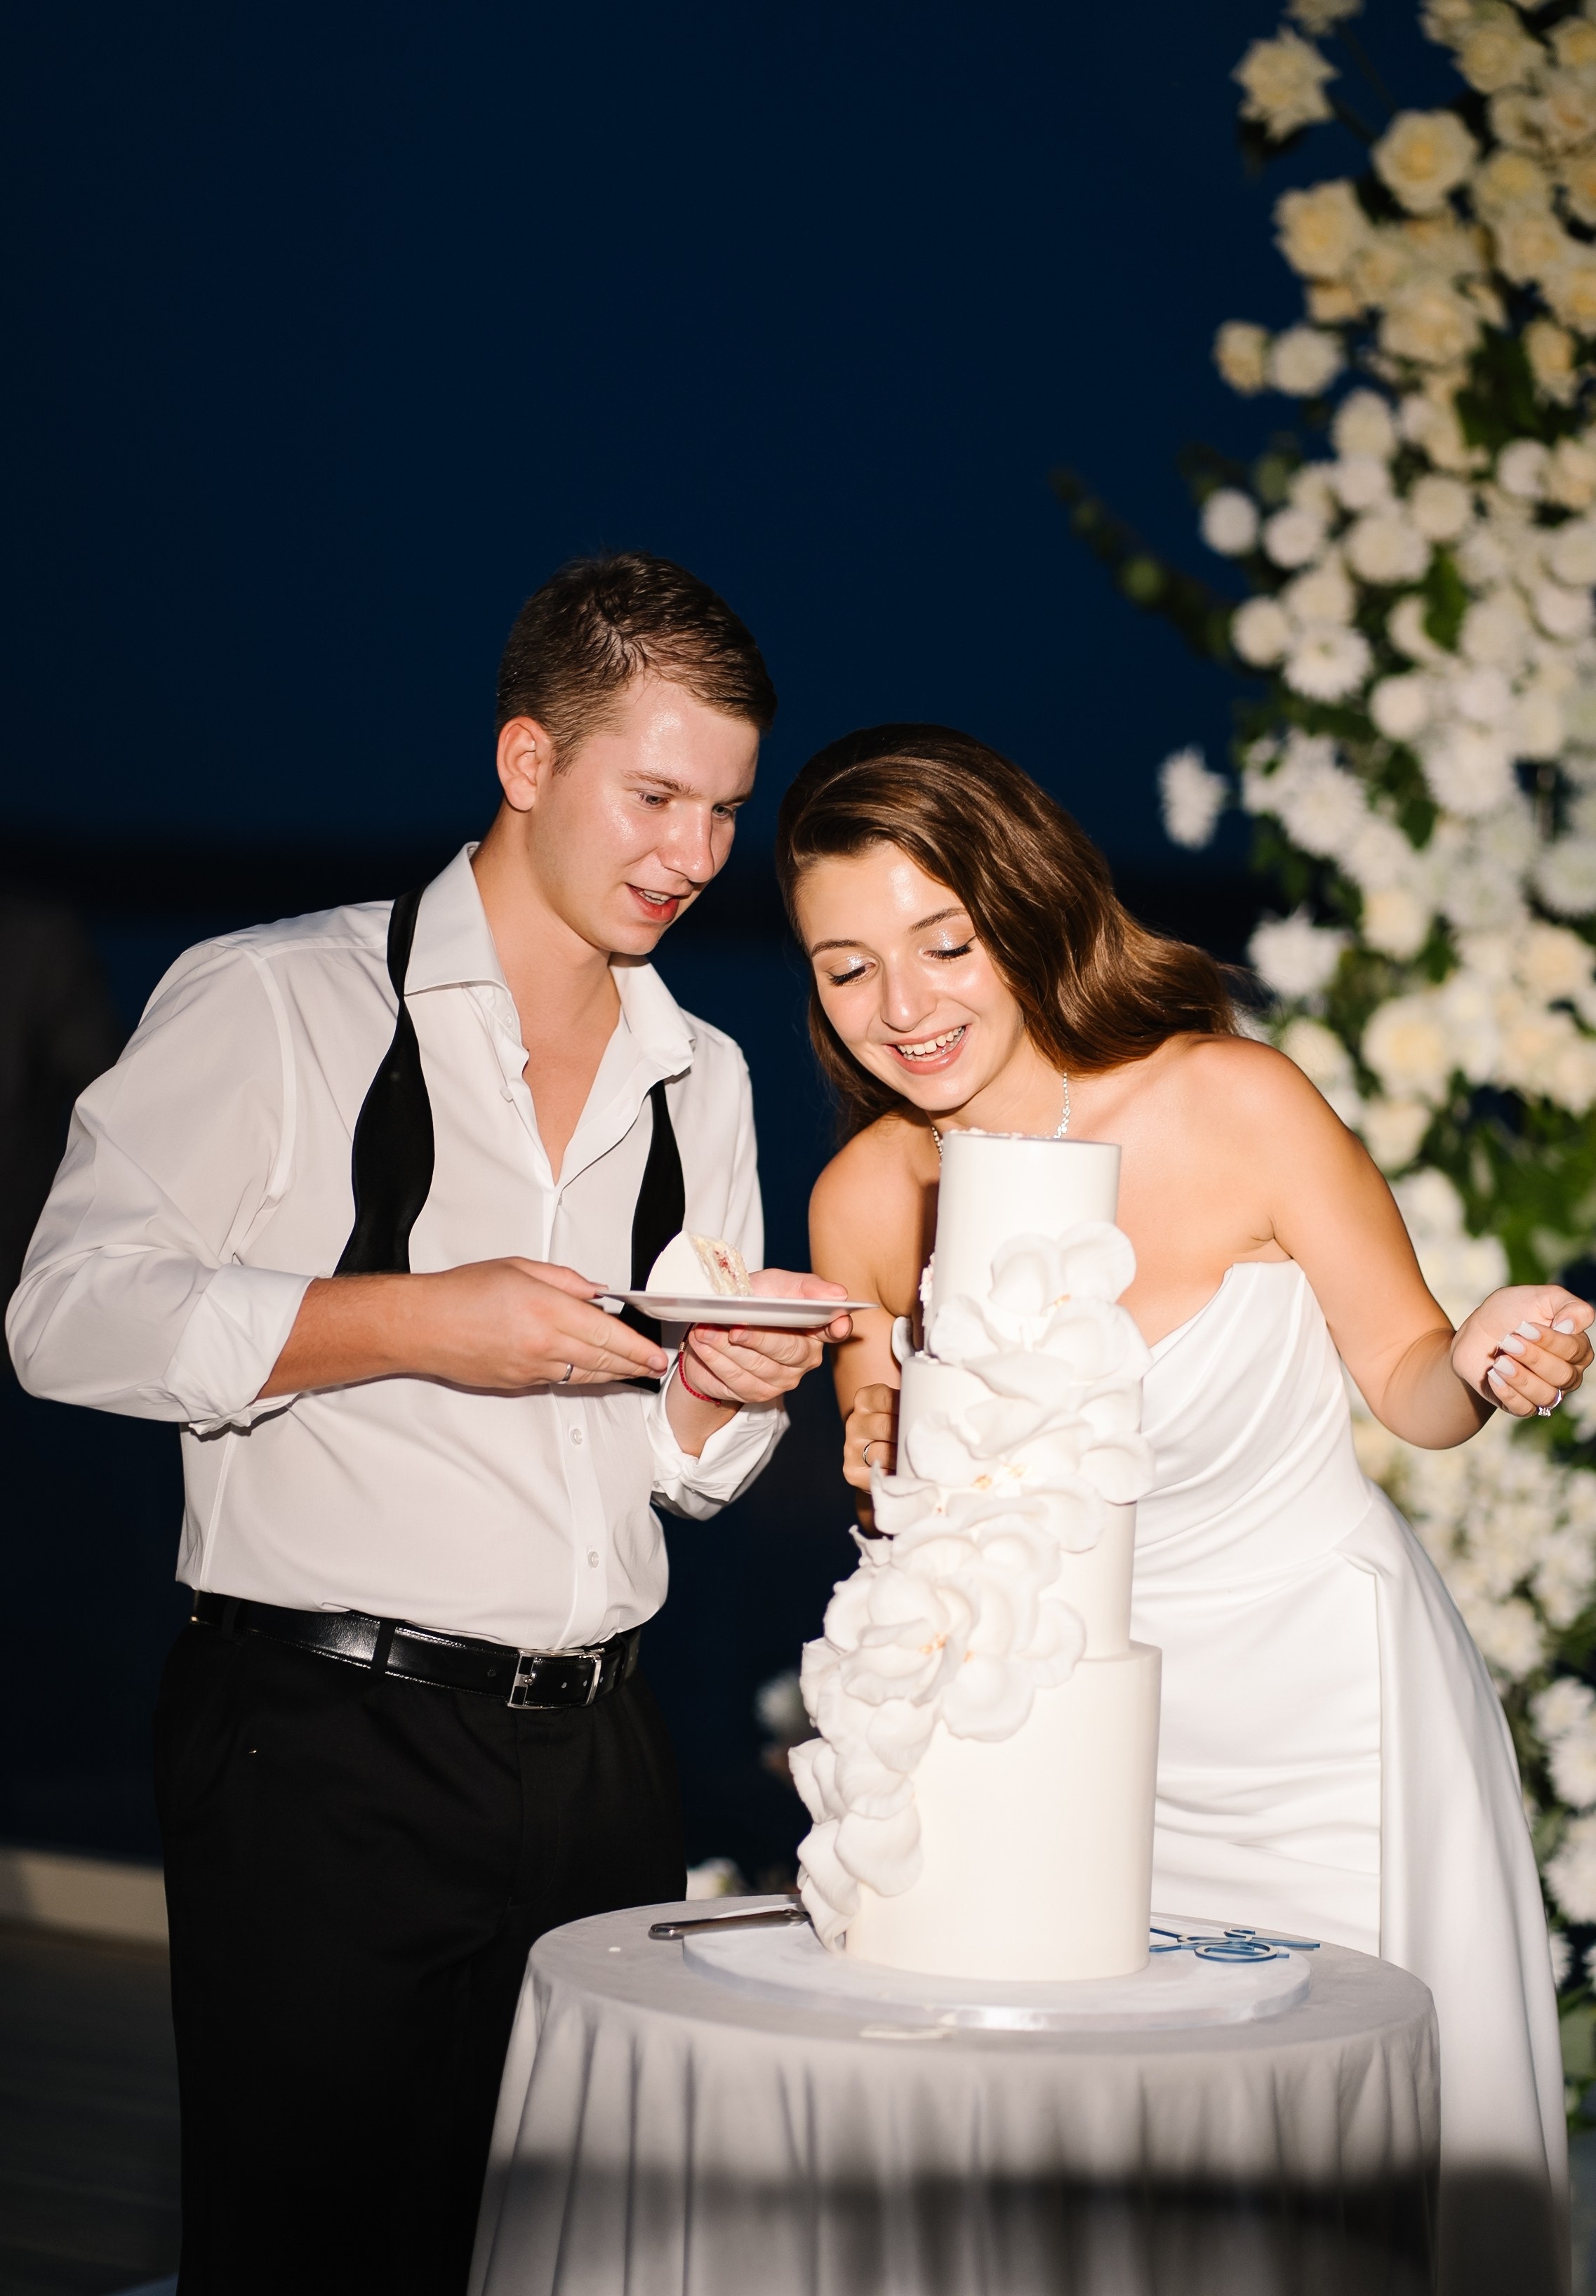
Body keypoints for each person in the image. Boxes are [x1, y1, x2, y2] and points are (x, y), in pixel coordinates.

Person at [6, 552, 850, 2296]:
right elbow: (63, 1314)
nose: (696, 854)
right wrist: (412, 1321)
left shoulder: (708, 1070)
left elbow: (683, 1477)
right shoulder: (279, 1000)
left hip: (609, 1754)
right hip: (324, 1742)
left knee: (556, 2254)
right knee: (307, 2253)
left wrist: (717, 1392)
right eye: (657, 794)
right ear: (528, 760)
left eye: (723, 811)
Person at [776, 722, 1591, 2293]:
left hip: (1320, 1732)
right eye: (844, 967)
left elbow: (1412, 1380)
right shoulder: (868, 1201)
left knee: (1333, 2197)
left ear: (1022, 906)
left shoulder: (1234, 1101)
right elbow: (899, 1517)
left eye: (942, 941)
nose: (904, 1006)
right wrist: (875, 1444)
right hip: (1054, 1764)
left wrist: (1486, 1357)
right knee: (1089, 2205)